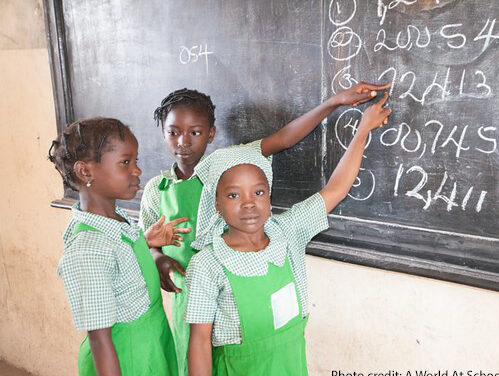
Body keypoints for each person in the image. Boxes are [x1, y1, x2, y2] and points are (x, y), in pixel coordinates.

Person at [140, 83, 390, 375]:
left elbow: (331, 186)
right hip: (206, 320)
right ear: (217, 204)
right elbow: (200, 344)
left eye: (258, 192)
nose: (248, 204)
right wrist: (155, 254)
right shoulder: (206, 262)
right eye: (234, 195)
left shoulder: (285, 230)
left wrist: (354, 124)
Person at [49, 117, 190, 375]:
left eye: (135, 161)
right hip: (126, 359)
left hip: (152, 344)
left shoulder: (117, 221)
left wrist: (145, 245)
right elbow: (100, 340)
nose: (136, 170)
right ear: (85, 171)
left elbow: (119, 266)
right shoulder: (88, 251)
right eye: (125, 163)